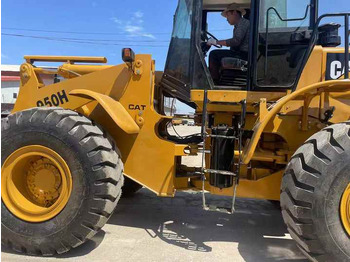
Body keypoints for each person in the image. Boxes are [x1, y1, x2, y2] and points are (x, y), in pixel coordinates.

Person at [207, 3, 250, 85]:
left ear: (234, 12)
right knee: (220, 56)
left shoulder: (243, 23)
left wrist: (216, 42)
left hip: (244, 55)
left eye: (227, 15)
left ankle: (213, 82)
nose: (226, 19)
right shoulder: (237, 26)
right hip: (241, 53)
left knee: (214, 54)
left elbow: (236, 41)